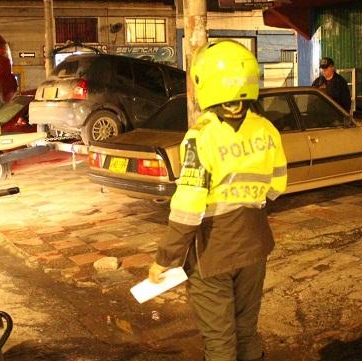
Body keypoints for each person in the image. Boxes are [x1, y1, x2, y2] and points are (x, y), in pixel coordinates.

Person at [148, 40, 287, 361]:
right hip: (255, 246)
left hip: (212, 254)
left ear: (204, 83)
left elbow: (188, 206)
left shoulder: (201, 136)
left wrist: (165, 258)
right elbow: (277, 184)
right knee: (246, 331)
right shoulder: (267, 129)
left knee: (220, 341)